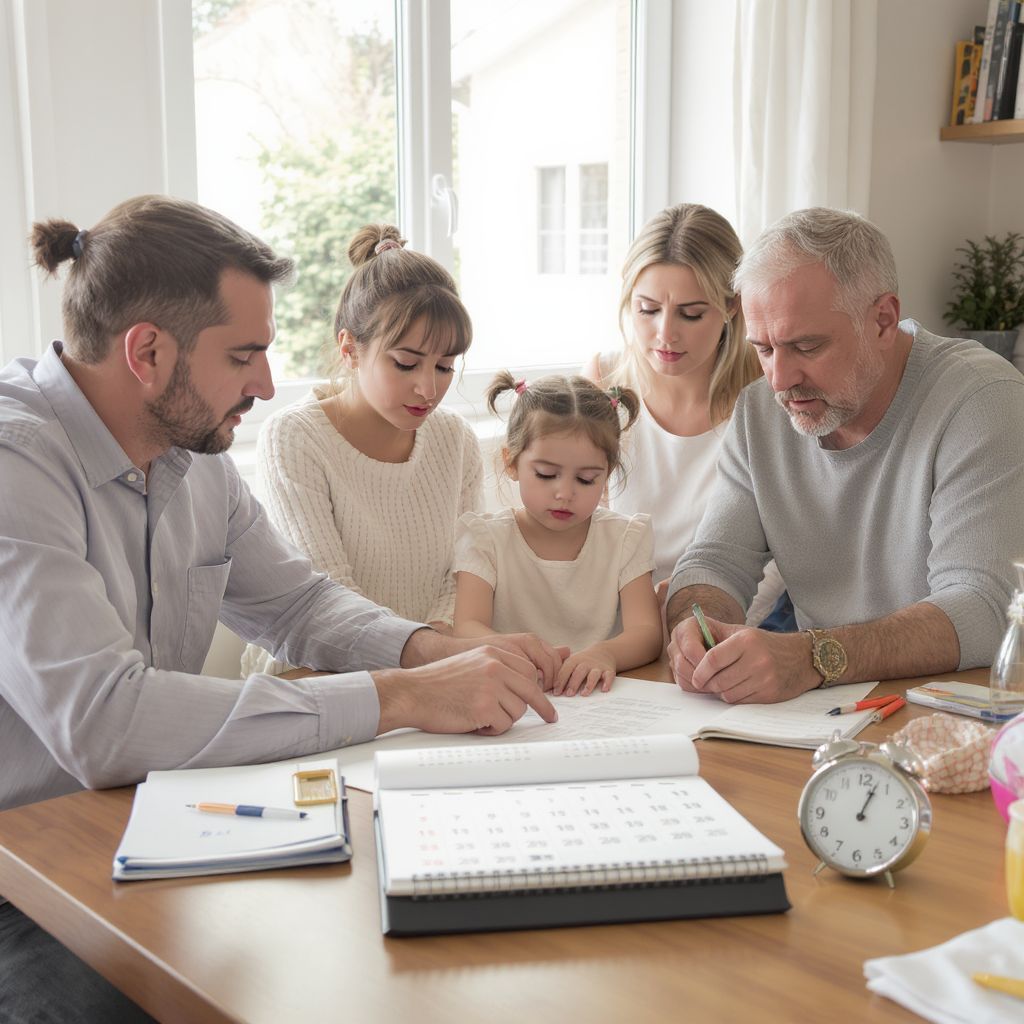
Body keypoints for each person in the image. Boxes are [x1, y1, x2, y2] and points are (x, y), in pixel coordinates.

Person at [0, 195, 561, 1021]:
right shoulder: (15, 462)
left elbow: (296, 604)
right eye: (245, 355)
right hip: (24, 872)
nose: (266, 385)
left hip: (159, 826)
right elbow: (105, 721)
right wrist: (402, 696)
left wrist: (432, 651)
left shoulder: (195, 454)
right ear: (147, 352)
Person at [666, 206, 1024, 704]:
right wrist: (696, 627)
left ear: (883, 320)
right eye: (764, 349)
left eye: (806, 346)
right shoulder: (759, 413)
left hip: (957, 713)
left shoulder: (983, 399)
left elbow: (984, 608)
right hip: (824, 712)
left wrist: (812, 657)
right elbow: (714, 561)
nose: (779, 380)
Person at [241, 223, 482, 677]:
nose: (429, 388)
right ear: (350, 349)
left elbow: (466, 573)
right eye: (406, 364)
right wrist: (423, 662)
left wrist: (435, 654)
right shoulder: (294, 438)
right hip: (318, 676)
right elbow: (327, 602)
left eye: (445, 367)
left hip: (435, 670)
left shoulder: (455, 439)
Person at [582, 203, 784, 624]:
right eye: (647, 309)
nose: (666, 334)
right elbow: (578, 532)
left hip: (729, 619)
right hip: (615, 618)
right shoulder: (602, 381)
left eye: (691, 314)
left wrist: (699, 619)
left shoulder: (768, 394)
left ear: (732, 306)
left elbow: (781, 557)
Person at [453, 372, 663, 696]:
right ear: (511, 462)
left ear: (607, 473)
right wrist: (517, 650)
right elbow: (466, 628)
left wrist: (605, 653)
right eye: (546, 474)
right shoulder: (485, 539)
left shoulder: (625, 538)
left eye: (586, 480)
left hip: (600, 699)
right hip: (514, 696)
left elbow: (647, 633)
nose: (564, 493)